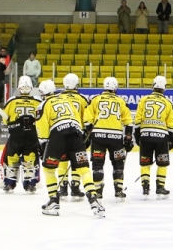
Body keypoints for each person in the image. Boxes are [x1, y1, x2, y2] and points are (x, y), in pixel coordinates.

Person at [36, 79, 104, 217]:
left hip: (58, 136)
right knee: (83, 169)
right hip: (75, 134)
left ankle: (54, 201)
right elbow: (77, 119)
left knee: (49, 169)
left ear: (43, 93)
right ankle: (94, 200)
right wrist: (81, 136)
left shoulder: (43, 104)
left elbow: (42, 126)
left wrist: (43, 144)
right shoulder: (66, 100)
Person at [84, 77, 134, 202]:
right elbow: (128, 122)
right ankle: (118, 190)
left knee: (97, 164)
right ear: (115, 87)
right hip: (116, 137)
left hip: (98, 136)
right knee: (118, 164)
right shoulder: (121, 101)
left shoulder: (95, 99)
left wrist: (88, 133)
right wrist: (128, 137)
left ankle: (98, 190)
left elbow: (87, 120)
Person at [134, 75, 173, 199]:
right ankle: (160, 188)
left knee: (145, 163)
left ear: (153, 86)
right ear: (164, 88)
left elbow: (137, 119)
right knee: (162, 164)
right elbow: (171, 124)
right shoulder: (168, 102)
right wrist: (171, 138)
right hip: (161, 136)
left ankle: (145, 187)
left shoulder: (144, 99)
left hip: (145, 135)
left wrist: (137, 134)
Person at [1, 75, 42, 193]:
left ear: (19, 87)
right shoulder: (38, 101)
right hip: (32, 135)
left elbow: (5, 118)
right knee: (30, 159)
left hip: (16, 135)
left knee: (11, 158)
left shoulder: (11, 100)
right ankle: (30, 183)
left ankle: (9, 183)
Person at [56, 73, 90, 201]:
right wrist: (87, 133)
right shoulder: (82, 99)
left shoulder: (58, 97)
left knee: (62, 162)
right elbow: (86, 119)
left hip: (61, 132)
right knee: (77, 162)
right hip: (77, 134)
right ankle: (75, 188)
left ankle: (63, 189)